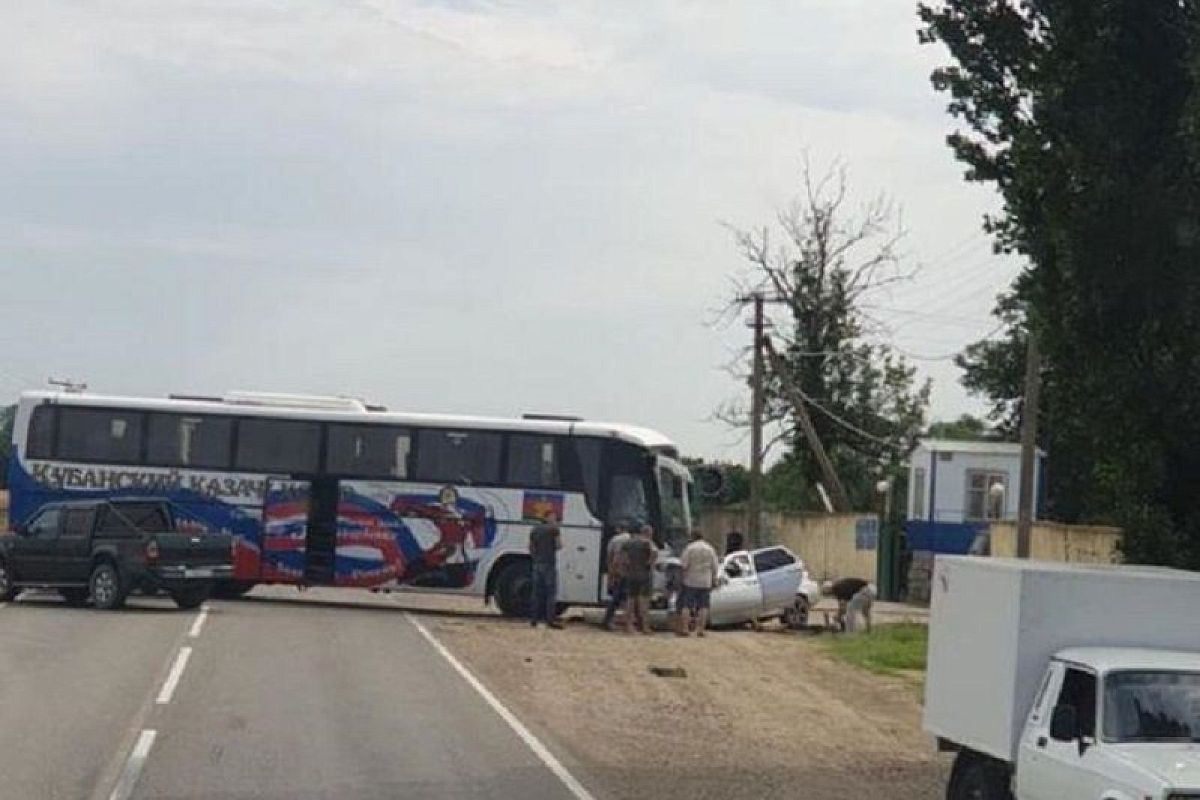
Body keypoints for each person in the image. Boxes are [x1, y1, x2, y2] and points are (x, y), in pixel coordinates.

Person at [677, 530, 720, 637]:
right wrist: (714, 579)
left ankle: (685, 629)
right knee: (703, 606)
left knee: (686, 606)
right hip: (705, 581)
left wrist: (681, 579)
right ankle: (701, 630)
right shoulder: (710, 549)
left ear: (693, 537)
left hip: (690, 580)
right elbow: (715, 566)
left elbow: (683, 565)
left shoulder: (689, 548)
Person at [620, 523, 657, 635]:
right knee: (643, 602)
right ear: (648, 533)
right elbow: (654, 552)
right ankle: (645, 627)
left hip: (631, 574)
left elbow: (622, 556)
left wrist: (626, 565)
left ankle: (628, 626)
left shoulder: (629, 542)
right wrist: (649, 563)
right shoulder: (647, 542)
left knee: (630, 601)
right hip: (644, 575)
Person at [528, 510, 563, 629]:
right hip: (549, 563)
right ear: (548, 518)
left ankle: (533, 620)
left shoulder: (535, 529)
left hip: (537, 564)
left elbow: (531, 547)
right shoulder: (554, 530)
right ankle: (550, 620)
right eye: (553, 517)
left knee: (536, 593)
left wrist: (536, 558)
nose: (555, 519)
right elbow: (559, 546)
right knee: (550, 593)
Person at [601, 523, 632, 630]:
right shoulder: (630, 539)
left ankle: (608, 620)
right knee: (627, 598)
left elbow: (610, 556)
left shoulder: (615, 540)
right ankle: (627, 622)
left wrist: (611, 572)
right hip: (629, 572)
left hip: (618, 571)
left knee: (615, 598)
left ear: (619, 529)